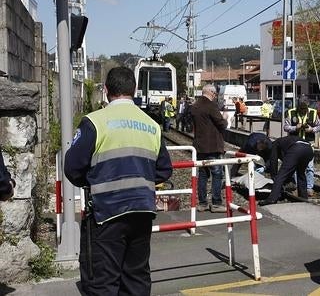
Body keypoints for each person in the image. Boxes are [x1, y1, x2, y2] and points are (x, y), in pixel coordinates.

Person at [64, 66, 173, 296]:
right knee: (136, 279)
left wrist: (96, 182)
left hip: (106, 215)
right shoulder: (152, 125)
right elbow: (164, 170)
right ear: (133, 90)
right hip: (143, 212)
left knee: (102, 282)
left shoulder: (94, 122)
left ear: (105, 91)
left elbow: (72, 168)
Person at [190, 84, 229, 213]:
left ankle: (202, 203)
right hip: (212, 146)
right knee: (217, 174)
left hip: (199, 146)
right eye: (215, 94)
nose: (215, 96)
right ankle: (216, 202)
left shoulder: (195, 106)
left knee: (202, 175)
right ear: (212, 93)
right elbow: (222, 124)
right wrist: (225, 118)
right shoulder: (211, 106)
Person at [258, 135, 314, 206]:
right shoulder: (285, 142)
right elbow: (290, 167)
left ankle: (272, 199)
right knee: (301, 174)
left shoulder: (275, 144)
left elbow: (273, 161)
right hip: (309, 149)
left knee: (280, 176)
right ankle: (303, 198)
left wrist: (274, 177)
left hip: (297, 148)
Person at [283, 97, 320, 196]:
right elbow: (285, 127)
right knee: (296, 165)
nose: (303, 111)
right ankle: (298, 186)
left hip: (309, 143)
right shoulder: (291, 113)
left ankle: (309, 187)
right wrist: (296, 127)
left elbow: (319, 127)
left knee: (310, 167)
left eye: (305, 109)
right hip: (295, 144)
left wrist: (312, 129)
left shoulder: (313, 113)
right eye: (301, 109)